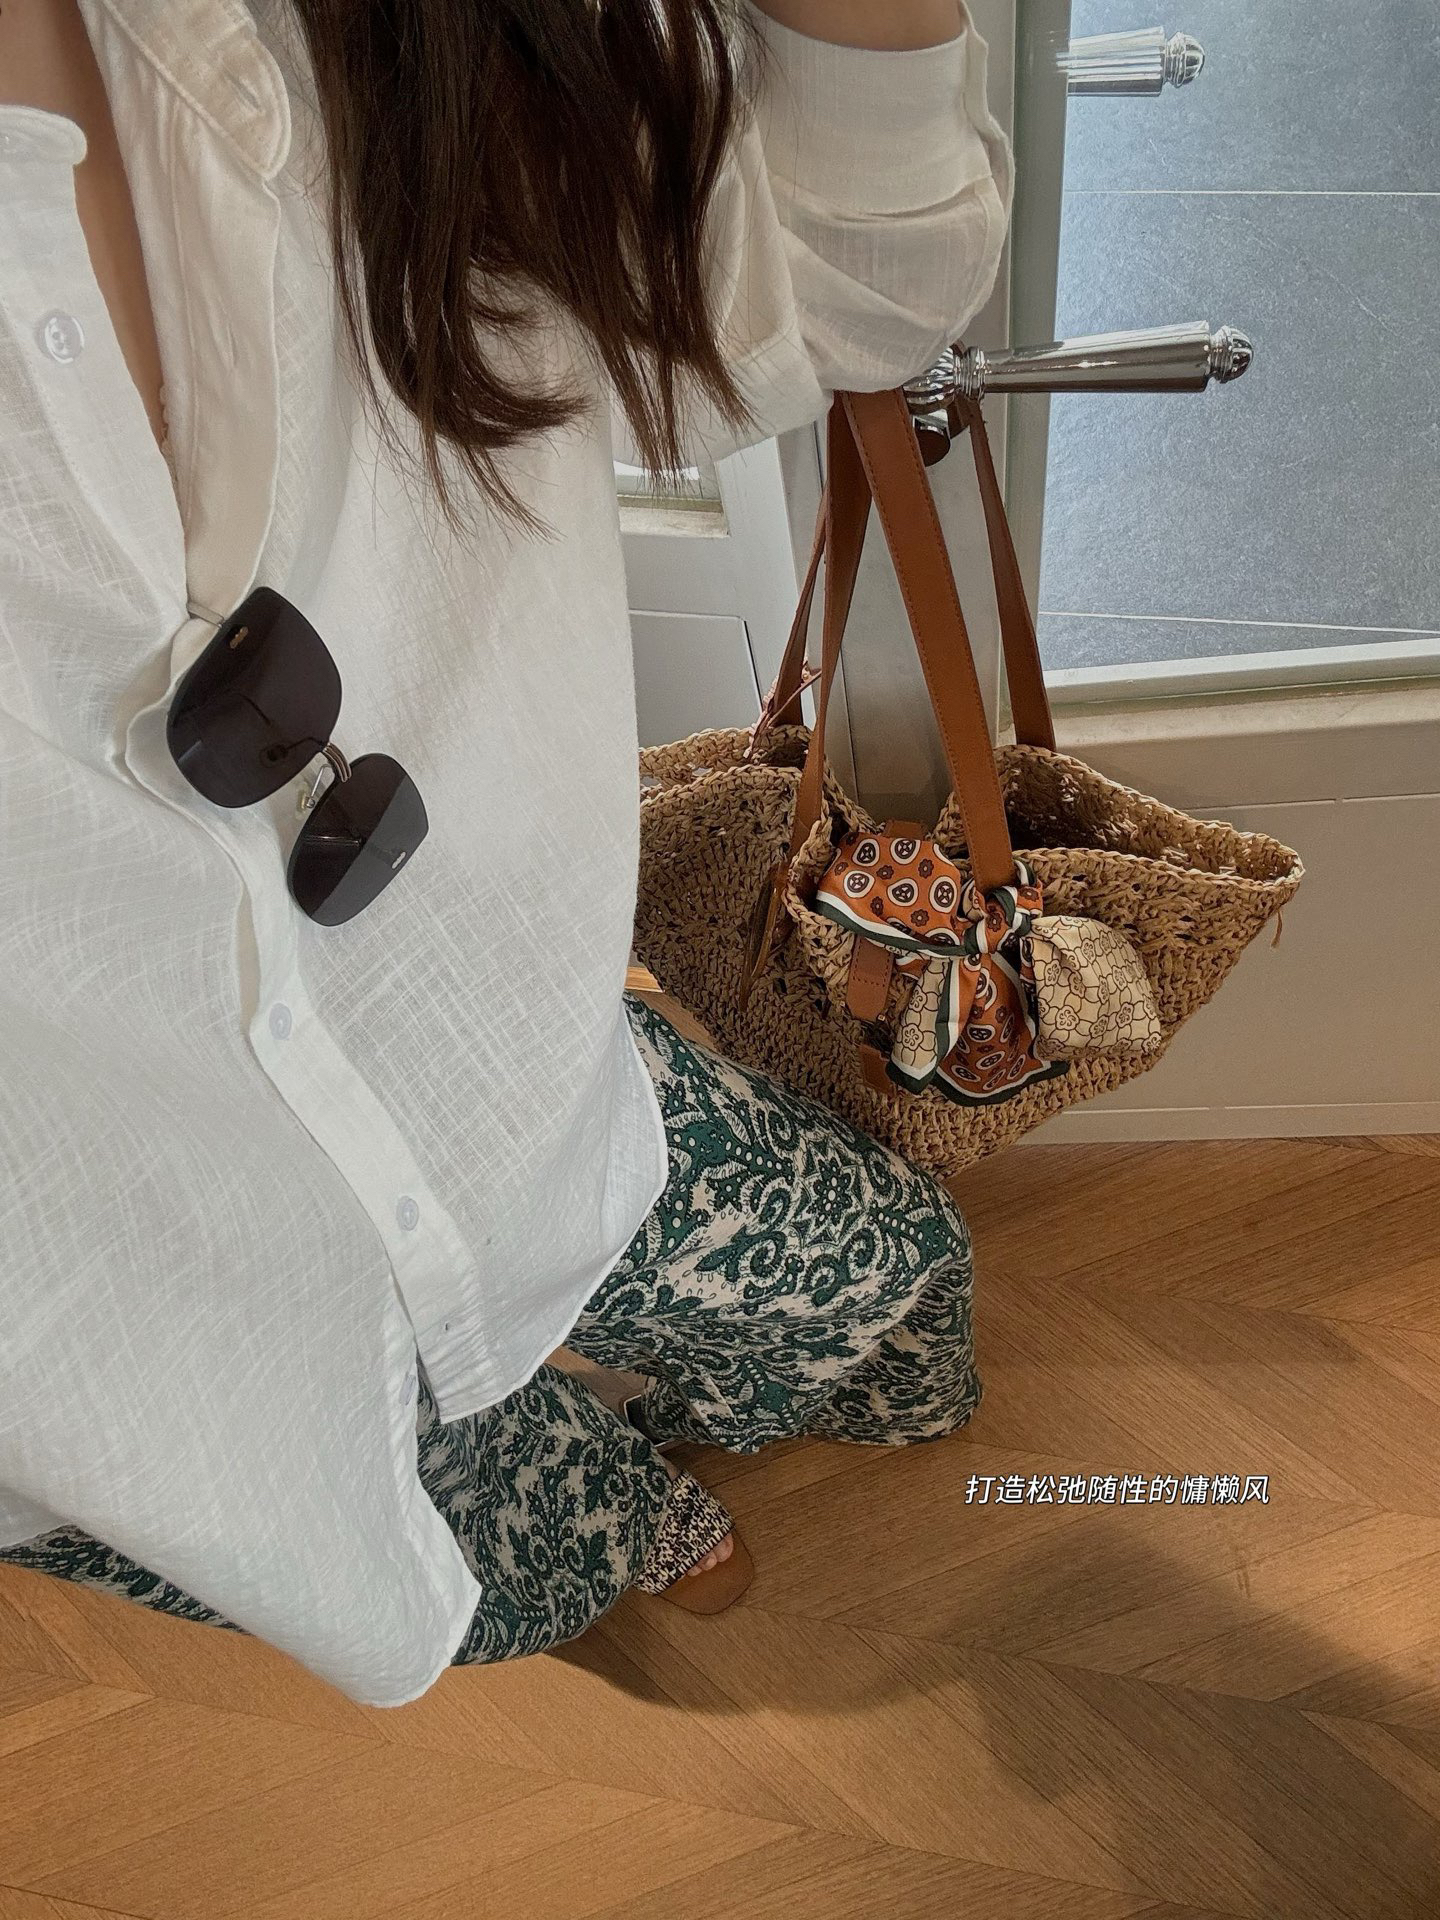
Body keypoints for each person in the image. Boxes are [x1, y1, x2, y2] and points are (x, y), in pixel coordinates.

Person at [0, 0, 1010, 1705]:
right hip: (136, 1345)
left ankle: (725, 1430)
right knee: (497, 1560)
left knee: (885, 1273)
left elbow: (841, 272)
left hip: (514, 1051)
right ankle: (608, 1522)